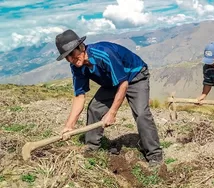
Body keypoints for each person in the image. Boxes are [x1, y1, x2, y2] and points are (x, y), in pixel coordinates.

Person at [55, 29, 163, 167]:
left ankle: (155, 154)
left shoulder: (104, 54)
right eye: (67, 57)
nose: (71, 59)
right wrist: (69, 126)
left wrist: (112, 113)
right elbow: (79, 96)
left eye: (72, 54)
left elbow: (123, 84)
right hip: (113, 82)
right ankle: (92, 148)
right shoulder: (76, 66)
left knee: (141, 114)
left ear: (81, 47)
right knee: (94, 108)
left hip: (135, 76)